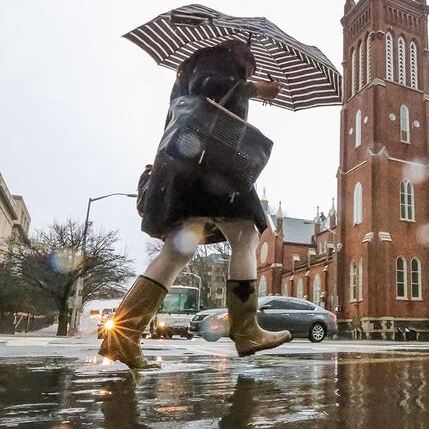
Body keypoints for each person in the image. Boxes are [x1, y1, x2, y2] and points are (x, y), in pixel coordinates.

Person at [99, 40, 290, 369]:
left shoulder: (193, 68)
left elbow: (200, 100)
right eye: (251, 61)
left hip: (186, 164)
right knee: (245, 235)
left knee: (177, 251)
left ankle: (123, 336)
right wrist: (255, 88)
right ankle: (246, 329)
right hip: (213, 165)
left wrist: (247, 89)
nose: (252, 66)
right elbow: (210, 88)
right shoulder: (223, 59)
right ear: (240, 53)